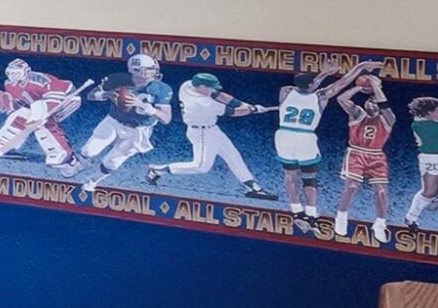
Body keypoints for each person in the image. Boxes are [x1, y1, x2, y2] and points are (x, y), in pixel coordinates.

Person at [155, 72, 274, 198]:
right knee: (201, 167)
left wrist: (246, 105)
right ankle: (158, 170)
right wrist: (253, 110)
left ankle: (253, 187)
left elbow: (219, 95)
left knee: (233, 156)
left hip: (213, 130)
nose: (214, 90)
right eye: (211, 87)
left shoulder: (188, 85)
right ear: (202, 87)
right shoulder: (203, 103)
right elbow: (233, 112)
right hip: (201, 133)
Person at [71, 52, 174, 194]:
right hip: (114, 121)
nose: (154, 71)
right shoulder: (118, 79)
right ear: (137, 70)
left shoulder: (162, 89)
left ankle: (92, 181)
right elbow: (91, 95)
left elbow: (166, 118)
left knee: (113, 161)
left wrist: (145, 106)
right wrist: (106, 95)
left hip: (139, 130)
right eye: (149, 68)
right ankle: (79, 164)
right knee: (89, 150)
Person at [0, 57, 83, 168]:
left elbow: (55, 95)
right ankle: (5, 145)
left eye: (16, 72)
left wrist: (40, 115)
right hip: (38, 103)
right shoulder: (10, 85)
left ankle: (62, 153)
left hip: (67, 98)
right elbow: (16, 104)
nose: (13, 76)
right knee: (20, 115)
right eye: (10, 73)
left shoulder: (41, 80)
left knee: (43, 121)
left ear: (26, 71)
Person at [272, 63, 346, 218]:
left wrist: (322, 74)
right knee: (309, 178)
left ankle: (296, 210)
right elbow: (341, 83)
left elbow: (307, 87)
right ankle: (311, 213)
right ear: (311, 84)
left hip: (284, 135)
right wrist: (359, 68)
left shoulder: (285, 91)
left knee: (290, 175)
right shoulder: (321, 97)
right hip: (305, 137)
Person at [334, 65, 398, 244]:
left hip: (377, 155)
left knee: (382, 192)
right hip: (356, 153)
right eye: (368, 101)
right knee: (352, 186)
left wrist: (376, 87)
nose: (370, 103)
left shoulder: (388, 117)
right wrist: (359, 87)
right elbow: (341, 98)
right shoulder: (358, 113)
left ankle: (379, 223)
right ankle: (341, 217)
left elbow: (383, 104)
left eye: (374, 101)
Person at [406, 96, 438, 232]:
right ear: (429, 112)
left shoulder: (437, 121)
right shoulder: (420, 125)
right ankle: (411, 218)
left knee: (434, 193)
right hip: (432, 159)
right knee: (429, 192)